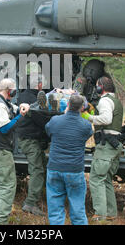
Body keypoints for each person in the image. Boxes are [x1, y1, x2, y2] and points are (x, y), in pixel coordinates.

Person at [0, 78, 30, 225]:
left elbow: (13, 108)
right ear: (10, 91)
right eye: (14, 91)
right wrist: (21, 116)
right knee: (7, 186)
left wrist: (21, 107)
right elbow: (5, 128)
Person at [44, 95, 93, 225]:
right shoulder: (86, 125)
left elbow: (48, 130)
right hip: (74, 170)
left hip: (54, 168)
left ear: (67, 105)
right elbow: (88, 134)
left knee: (55, 210)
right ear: (82, 108)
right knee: (78, 210)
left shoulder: (55, 121)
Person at [84, 76, 124, 221]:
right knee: (106, 179)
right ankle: (111, 213)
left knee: (96, 178)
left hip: (106, 145)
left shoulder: (105, 100)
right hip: (114, 145)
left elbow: (106, 119)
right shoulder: (116, 101)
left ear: (101, 87)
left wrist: (89, 117)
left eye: (97, 86)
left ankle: (100, 214)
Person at [15, 76, 48, 216]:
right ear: (39, 84)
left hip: (30, 138)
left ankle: (38, 197)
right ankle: (30, 203)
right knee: (37, 170)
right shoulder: (30, 98)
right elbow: (38, 118)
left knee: (42, 166)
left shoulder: (26, 95)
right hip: (29, 139)